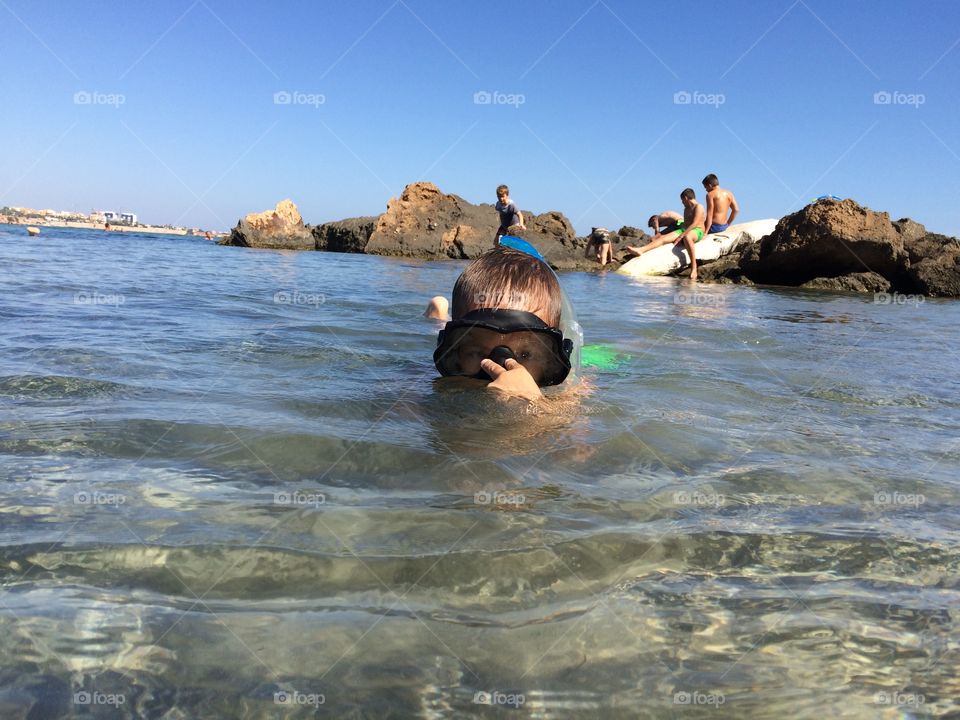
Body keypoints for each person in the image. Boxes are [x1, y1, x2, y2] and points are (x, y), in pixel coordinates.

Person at [432, 241, 579, 402]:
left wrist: (536, 403)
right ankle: (438, 312)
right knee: (439, 322)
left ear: (552, 360)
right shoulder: (444, 391)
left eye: (525, 354)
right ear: (455, 353)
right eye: (478, 352)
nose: (500, 368)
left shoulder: (565, 399)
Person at [623, 188, 706, 280]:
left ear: (686, 198)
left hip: (697, 230)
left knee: (687, 237)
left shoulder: (699, 207)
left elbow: (694, 224)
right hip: (684, 229)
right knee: (662, 239)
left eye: (682, 200)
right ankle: (641, 250)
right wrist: (677, 235)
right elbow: (686, 225)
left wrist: (681, 237)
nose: (682, 203)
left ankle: (694, 267)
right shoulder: (686, 208)